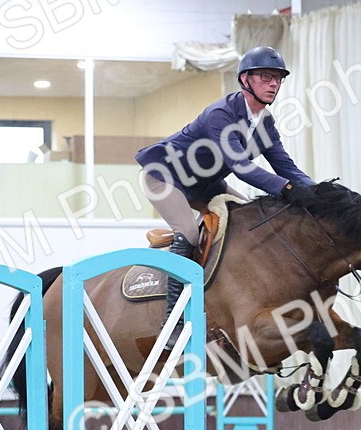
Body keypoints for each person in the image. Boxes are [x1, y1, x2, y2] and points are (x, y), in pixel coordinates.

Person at [136, 45, 318, 344]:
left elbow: (285, 166)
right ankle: (173, 320)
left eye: (278, 78)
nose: (274, 84)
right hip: (164, 176)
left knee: (252, 223)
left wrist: (320, 192)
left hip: (205, 184)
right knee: (188, 234)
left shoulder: (265, 123)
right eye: (266, 77)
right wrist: (286, 189)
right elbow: (241, 167)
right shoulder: (221, 114)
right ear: (245, 79)